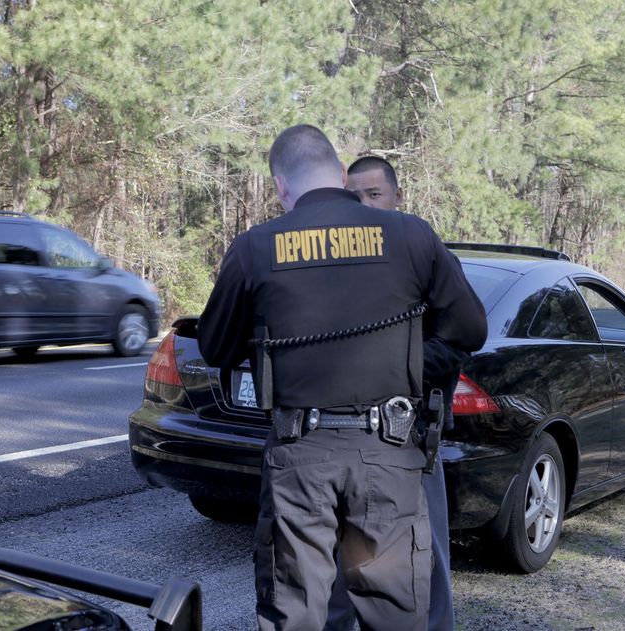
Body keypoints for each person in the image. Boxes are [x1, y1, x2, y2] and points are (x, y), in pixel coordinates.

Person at [197, 125, 487, 630]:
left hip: (299, 457)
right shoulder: (410, 234)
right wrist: (399, 365)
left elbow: (216, 347)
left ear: (281, 187)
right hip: (389, 449)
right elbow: (470, 330)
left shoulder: (254, 247)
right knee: (395, 613)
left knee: (297, 613)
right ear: (339, 171)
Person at [324, 155, 471, 631]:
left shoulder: (420, 252)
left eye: (373, 194)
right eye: (354, 197)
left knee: (424, 565)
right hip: (339, 441)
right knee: (337, 574)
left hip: (408, 438)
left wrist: (395, 372)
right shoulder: (334, 262)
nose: (364, 205)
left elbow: (461, 336)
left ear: (396, 197)